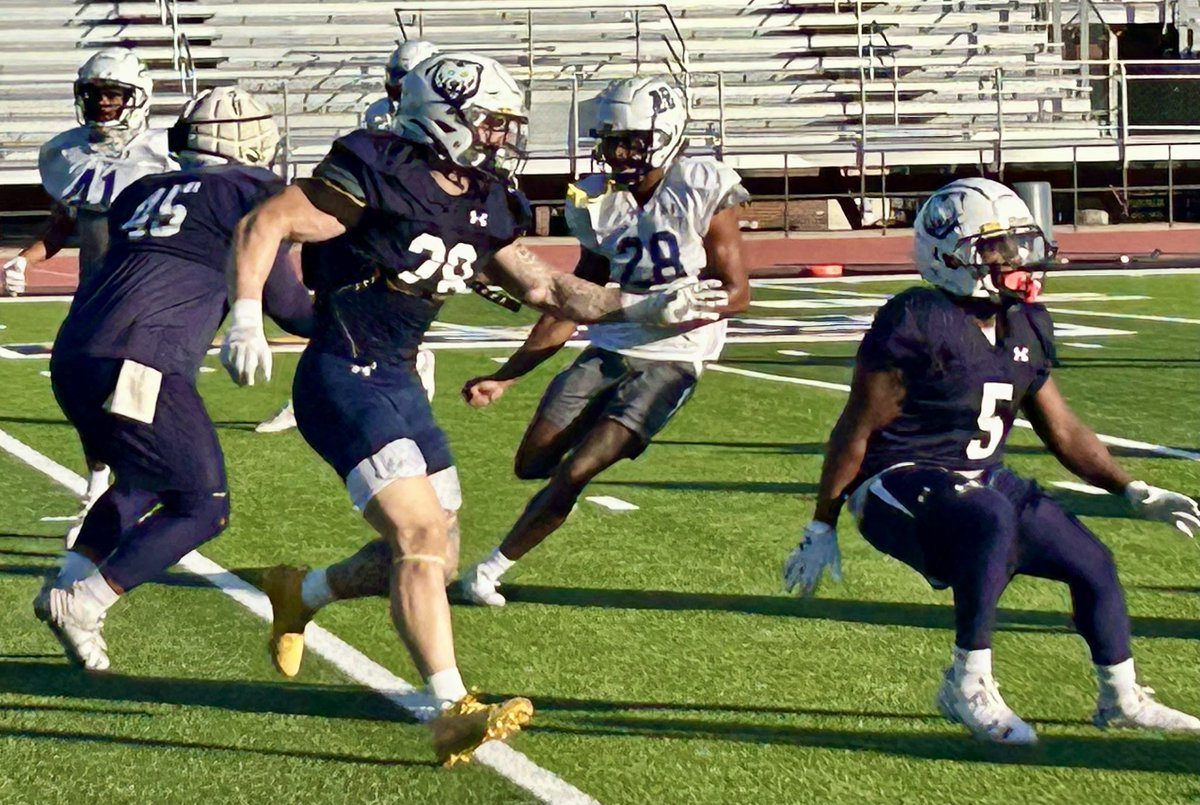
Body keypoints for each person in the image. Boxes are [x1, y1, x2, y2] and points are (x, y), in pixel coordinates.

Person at [220, 53, 727, 765]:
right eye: (488, 122)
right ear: (445, 115)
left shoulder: (483, 197)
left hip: (396, 377)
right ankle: (450, 707)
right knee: (421, 533)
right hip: (341, 373)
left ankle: (299, 591)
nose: (497, 137)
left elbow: (551, 292)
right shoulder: (380, 167)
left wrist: (640, 306)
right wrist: (246, 315)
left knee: (438, 548)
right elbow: (266, 222)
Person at [782, 177, 1200, 744]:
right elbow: (856, 425)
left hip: (978, 478)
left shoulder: (1023, 322)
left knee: (1091, 560)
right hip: (896, 483)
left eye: (1020, 244)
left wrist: (1131, 488)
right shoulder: (918, 319)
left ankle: (1120, 696)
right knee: (990, 514)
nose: (1019, 259)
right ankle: (967, 681)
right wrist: (821, 524)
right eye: (998, 248)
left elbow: (1062, 428)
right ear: (950, 255)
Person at [34, 87, 314, 674]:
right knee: (203, 505)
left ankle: (68, 578)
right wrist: (362, 315)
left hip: (76, 351)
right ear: (256, 141)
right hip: (139, 357)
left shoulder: (142, 188)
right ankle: (84, 602)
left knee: (141, 479)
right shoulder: (253, 192)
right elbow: (290, 306)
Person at [457, 76, 750, 606]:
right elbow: (573, 299)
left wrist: (681, 313)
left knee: (577, 470)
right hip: (612, 344)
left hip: (675, 358)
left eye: (629, 141)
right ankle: (586, 442)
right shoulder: (597, 202)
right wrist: (507, 376)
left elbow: (737, 293)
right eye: (611, 141)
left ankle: (488, 571)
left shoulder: (702, 183)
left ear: (665, 134)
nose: (617, 153)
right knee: (532, 464)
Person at [2, 48, 178, 546]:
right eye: (95, 94)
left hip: (149, 297)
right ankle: (99, 485)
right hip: (94, 295)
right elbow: (64, 224)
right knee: (85, 398)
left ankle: (128, 497)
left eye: (114, 94)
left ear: (136, 98)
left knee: (136, 405)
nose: (103, 103)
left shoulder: (166, 155)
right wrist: (23, 260)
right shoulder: (69, 155)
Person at [255, 39, 442, 436]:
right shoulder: (380, 115)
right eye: (397, 79)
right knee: (333, 295)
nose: (399, 89)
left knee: (381, 309)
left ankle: (406, 372)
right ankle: (320, 395)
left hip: (409, 221)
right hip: (371, 213)